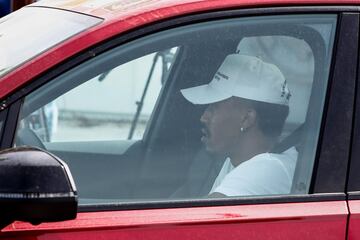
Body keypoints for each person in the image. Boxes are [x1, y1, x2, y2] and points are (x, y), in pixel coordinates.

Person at [180, 54, 298, 197]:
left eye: (214, 107)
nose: (203, 117)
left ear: (246, 119)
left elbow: (201, 218)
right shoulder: (238, 159)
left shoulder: (267, 170)